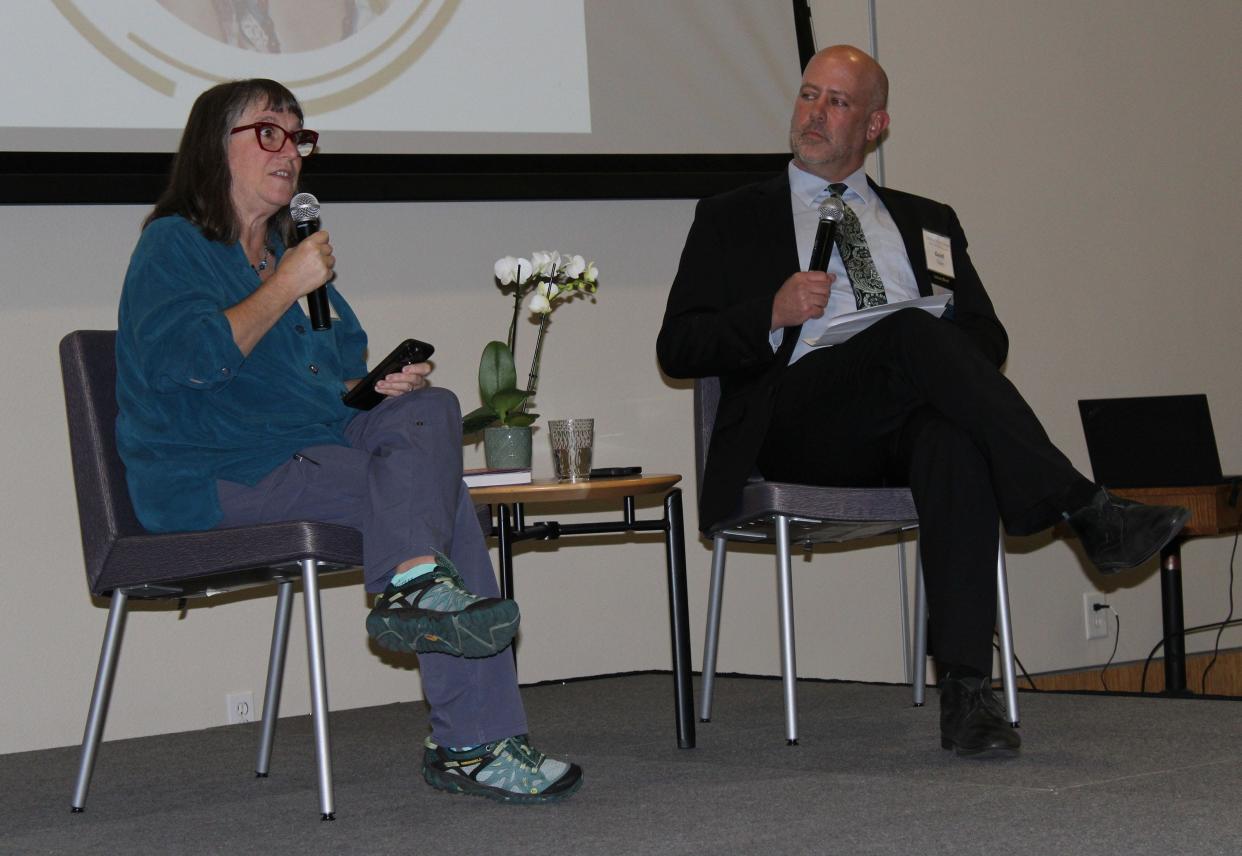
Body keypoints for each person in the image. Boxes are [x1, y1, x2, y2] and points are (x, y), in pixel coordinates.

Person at [657, 46, 1189, 758]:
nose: (814, 113)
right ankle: (1081, 505)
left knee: (952, 439)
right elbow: (678, 346)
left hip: (897, 418)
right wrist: (770, 311)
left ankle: (966, 697)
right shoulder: (732, 216)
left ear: (875, 125)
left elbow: (985, 336)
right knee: (908, 329)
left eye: (837, 103)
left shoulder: (926, 220)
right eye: (809, 95)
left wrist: (929, 329)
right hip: (796, 419)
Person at [115, 78, 582, 802]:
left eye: (299, 137)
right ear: (215, 145)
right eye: (269, 132)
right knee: (439, 497)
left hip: (312, 444)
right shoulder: (172, 246)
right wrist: (287, 283)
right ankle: (471, 739)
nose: (291, 151)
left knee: (432, 407)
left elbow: (337, 373)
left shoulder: (292, 255)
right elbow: (187, 365)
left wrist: (376, 388)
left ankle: (415, 588)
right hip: (218, 468)